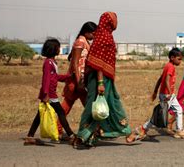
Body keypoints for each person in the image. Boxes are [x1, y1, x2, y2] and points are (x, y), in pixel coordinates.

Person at [73, 12, 137, 148]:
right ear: (110, 22)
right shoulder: (105, 37)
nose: (117, 23)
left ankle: (126, 132)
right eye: (115, 20)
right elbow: (99, 63)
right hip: (99, 80)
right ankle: (80, 137)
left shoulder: (101, 36)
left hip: (101, 79)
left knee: (109, 105)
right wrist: (101, 83)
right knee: (95, 107)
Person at [24, 38, 75, 145]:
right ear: (53, 49)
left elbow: (55, 77)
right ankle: (71, 135)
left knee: (40, 115)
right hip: (49, 94)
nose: (59, 49)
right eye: (58, 47)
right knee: (61, 113)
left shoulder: (52, 62)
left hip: (49, 93)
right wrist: (46, 94)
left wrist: (69, 77)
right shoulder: (48, 63)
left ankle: (30, 136)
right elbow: (46, 79)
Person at [137, 48, 184, 140]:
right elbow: (166, 80)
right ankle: (143, 129)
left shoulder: (168, 66)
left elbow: (160, 79)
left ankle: (179, 130)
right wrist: (170, 93)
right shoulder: (170, 67)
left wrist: (155, 91)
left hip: (167, 94)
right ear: (172, 57)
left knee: (178, 110)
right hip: (167, 95)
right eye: (179, 59)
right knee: (159, 116)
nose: (180, 61)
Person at [57, 21, 97, 136]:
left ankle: (58, 129)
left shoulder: (84, 42)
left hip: (79, 79)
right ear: (87, 32)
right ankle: (95, 130)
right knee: (81, 105)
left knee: (70, 104)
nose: (94, 36)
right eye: (93, 33)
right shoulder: (80, 42)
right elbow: (75, 63)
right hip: (77, 80)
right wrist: (79, 81)